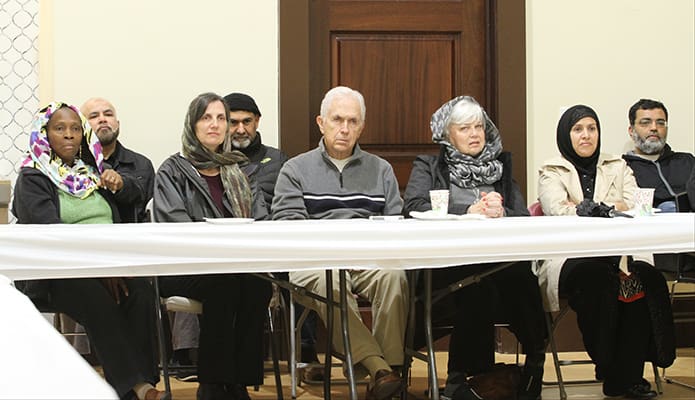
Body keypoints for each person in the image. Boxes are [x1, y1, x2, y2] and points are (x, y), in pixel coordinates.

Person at [12, 102, 166, 400]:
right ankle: (137, 388)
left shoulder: (92, 172)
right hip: (56, 273)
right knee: (98, 299)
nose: (69, 135)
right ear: (44, 135)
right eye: (60, 129)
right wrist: (98, 269)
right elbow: (51, 236)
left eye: (75, 129)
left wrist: (119, 183)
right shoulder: (33, 177)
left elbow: (136, 197)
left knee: (141, 293)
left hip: (107, 265)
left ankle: (144, 381)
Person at [403, 96, 546, 400]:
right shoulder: (429, 166)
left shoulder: (501, 168)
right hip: (445, 265)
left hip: (498, 262)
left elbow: (522, 216)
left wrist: (501, 211)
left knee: (522, 276)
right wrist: (468, 210)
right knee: (478, 286)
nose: (474, 134)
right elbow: (413, 205)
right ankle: (461, 380)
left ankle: (535, 363)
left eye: (479, 126)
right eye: (465, 128)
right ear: (447, 134)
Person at [272, 86, 407, 400]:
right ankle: (380, 369)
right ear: (321, 123)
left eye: (352, 121)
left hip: (369, 258)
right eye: (337, 120)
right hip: (314, 263)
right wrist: (332, 250)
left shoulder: (381, 169)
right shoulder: (295, 169)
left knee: (394, 278)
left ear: (362, 126)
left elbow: (395, 223)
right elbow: (288, 227)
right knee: (329, 282)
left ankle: (385, 372)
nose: (344, 129)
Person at [537, 105, 676, 399]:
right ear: (566, 135)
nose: (586, 135)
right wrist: (607, 210)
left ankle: (629, 373)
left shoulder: (618, 165)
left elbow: (634, 204)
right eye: (578, 130)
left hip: (620, 253)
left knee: (646, 277)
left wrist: (594, 210)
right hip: (572, 257)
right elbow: (557, 210)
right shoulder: (552, 170)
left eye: (592, 128)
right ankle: (615, 370)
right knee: (600, 280)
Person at [153, 92, 271, 400]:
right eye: (206, 117)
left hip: (234, 264)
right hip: (185, 266)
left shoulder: (240, 170)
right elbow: (174, 226)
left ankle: (239, 381)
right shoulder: (173, 170)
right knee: (224, 284)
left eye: (221, 118)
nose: (215, 125)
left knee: (259, 286)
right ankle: (213, 383)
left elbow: (260, 218)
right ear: (192, 125)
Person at [81, 97, 155, 222]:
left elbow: (150, 213)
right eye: (94, 116)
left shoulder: (141, 164)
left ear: (118, 124)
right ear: (81, 127)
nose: (103, 119)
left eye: (108, 114)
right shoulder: (73, 164)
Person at [622, 98, 695, 212]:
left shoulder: (687, 161)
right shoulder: (623, 168)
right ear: (631, 131)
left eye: (660, 123)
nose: (654, 128)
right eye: (645, 123)